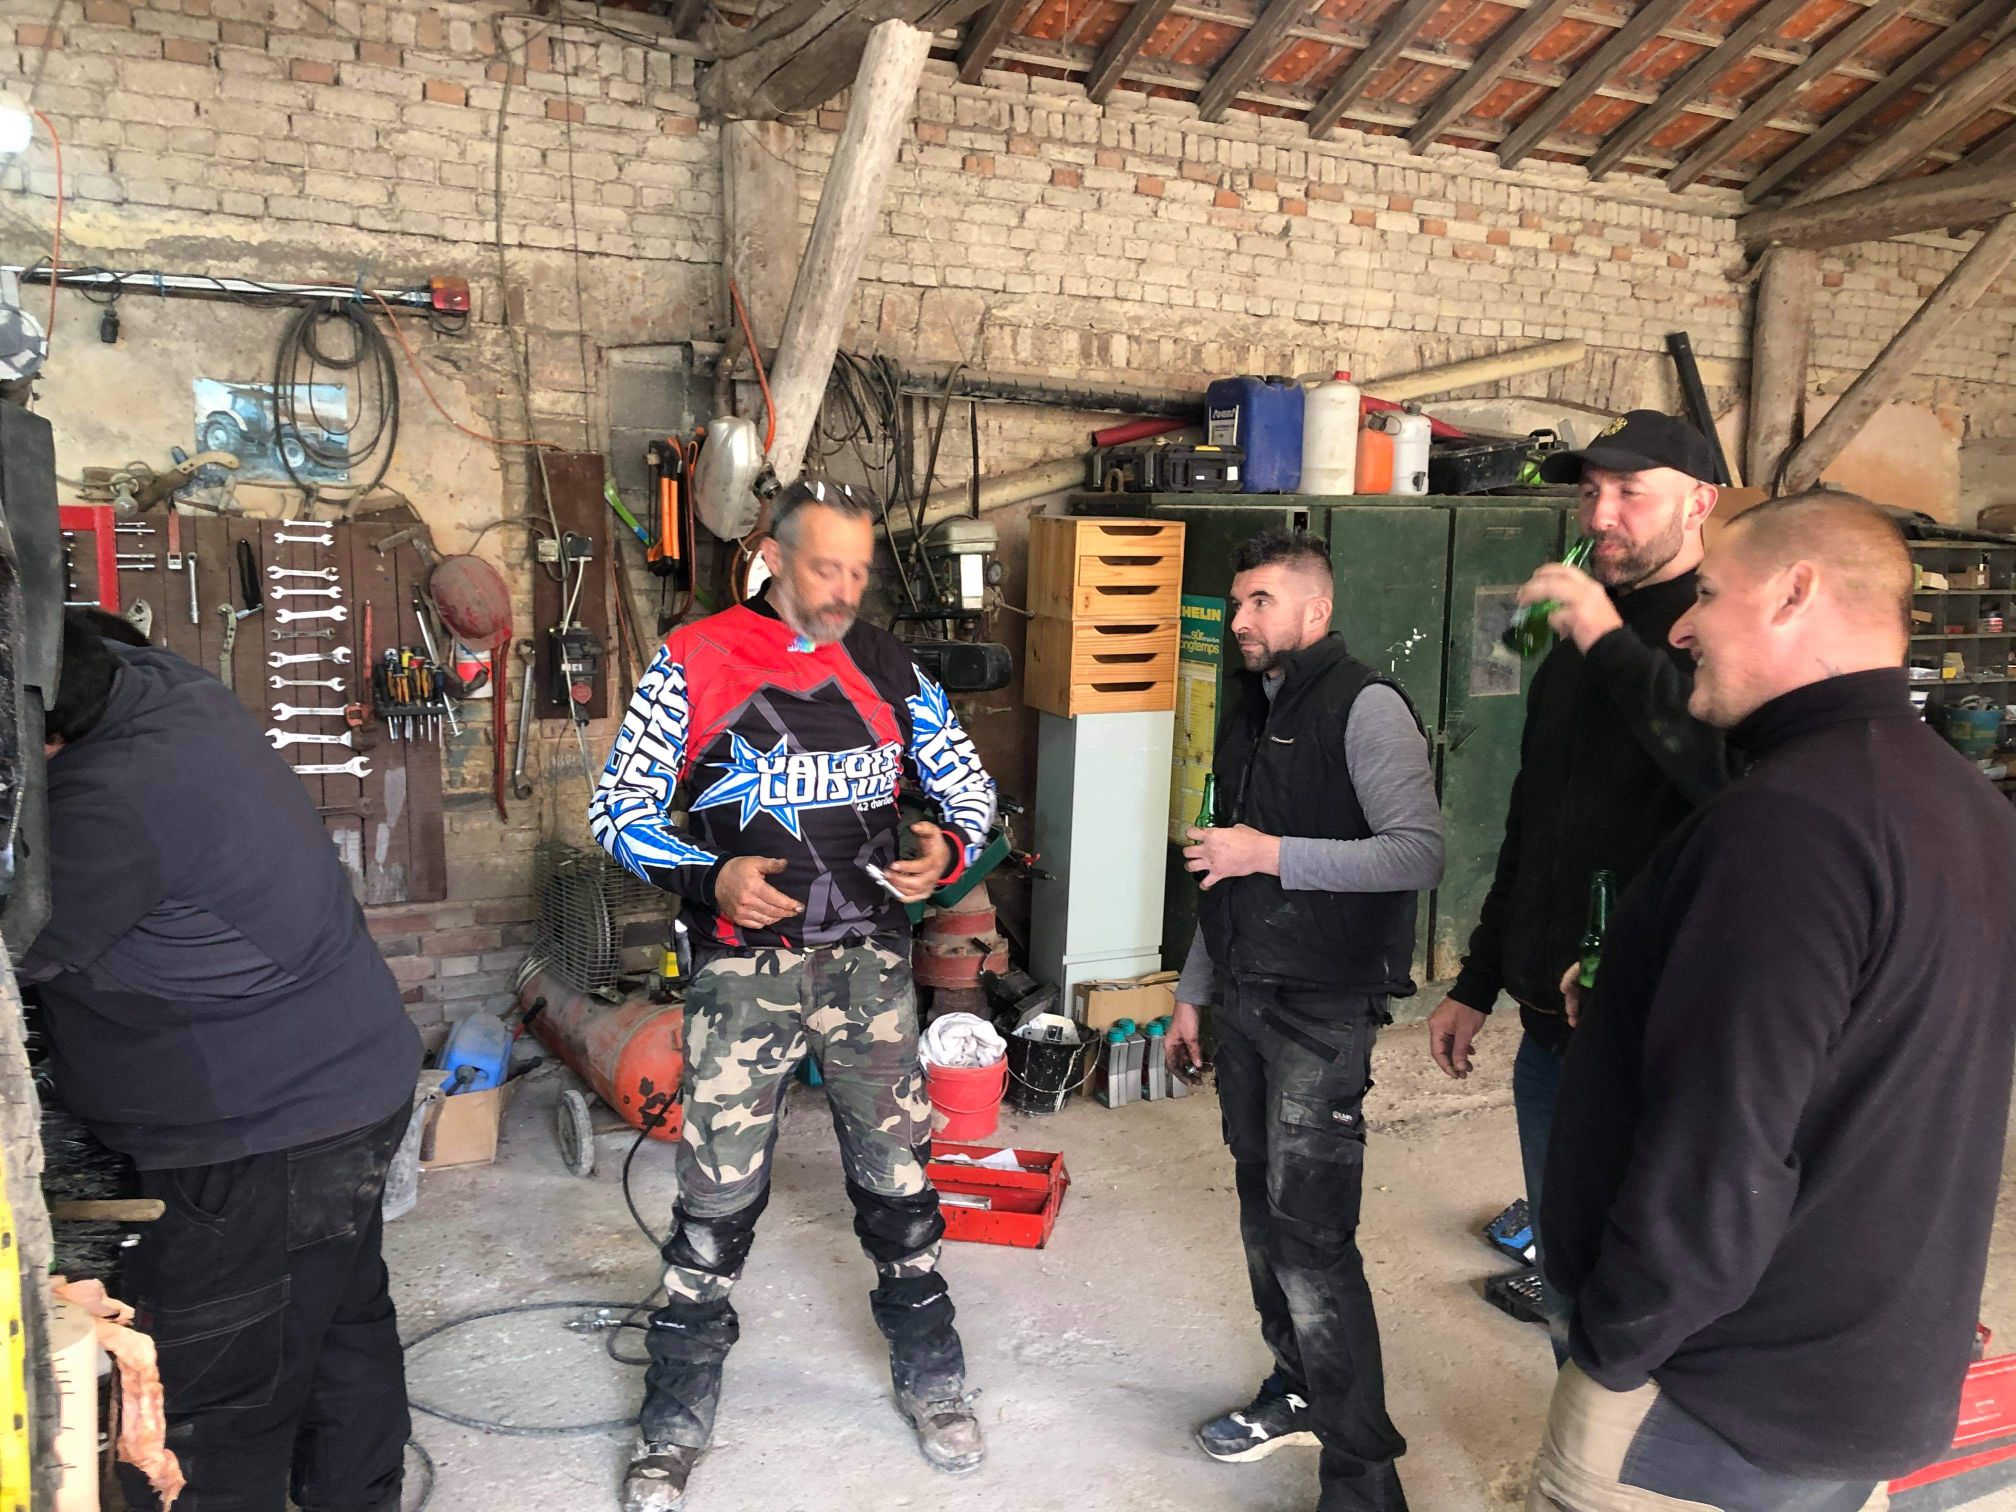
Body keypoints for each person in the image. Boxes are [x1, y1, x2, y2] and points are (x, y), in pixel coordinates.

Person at [1527, 492, 2016, 1509]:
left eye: (1708, 594)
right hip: (1870, 1384)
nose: (1681, 629)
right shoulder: (1966, 804)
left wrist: (1615, 1349)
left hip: (1716, 1402)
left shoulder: (1787, 825)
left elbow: (1720, 1154)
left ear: (1796, 592)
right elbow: (1876, 1045)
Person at [589, 476, 1000, 1512]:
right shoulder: (695, 659)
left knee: (899, 1180)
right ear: (770, 558)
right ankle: (676, 1415)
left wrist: (945, 848)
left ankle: (933, 1375)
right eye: (825, 568)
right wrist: (708, 875)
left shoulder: (890, 664)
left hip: (868, 966)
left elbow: (971, 790)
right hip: (743, 970)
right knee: (716, 1198)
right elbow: (618, 810)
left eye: (858, 570)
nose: (844, 591)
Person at [20, 610, 423, 1512]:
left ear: (43, 739)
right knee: (339, 1326)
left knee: (214, 1402)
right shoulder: (167, 687)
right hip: (351, 1078)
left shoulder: (109, 802)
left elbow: (22, 944)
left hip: (261, 1131)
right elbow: (103, 634)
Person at [1423, 410, 1729, 1327]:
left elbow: (1723, 778)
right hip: (1549, 1033)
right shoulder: (1571, 643)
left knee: (1645, 1295)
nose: (1601, 516)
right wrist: (1477, 979)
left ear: (1699, 502)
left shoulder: (1720, 633)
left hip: (1657, 1041)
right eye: (1593, 492)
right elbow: (1536, 819)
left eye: (1632, 492)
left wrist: (1604, 635)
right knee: (1567, 1279)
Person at [1164, 527, 1443, 1512]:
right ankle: (1295, 1388)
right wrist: (1194, 990)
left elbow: (1418, 852)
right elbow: (1223, 867)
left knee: (1314, 1243)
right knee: (1262, 1220)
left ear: (1315, 610)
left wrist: (1271, 853)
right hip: (1245, 1001)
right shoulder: (1253, 707)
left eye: (1262, 602)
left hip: (1320, 1016)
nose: (1241, 619)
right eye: (1238, 601)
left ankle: (1364, 1484)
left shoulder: (1365, 707)